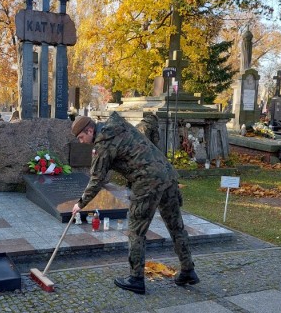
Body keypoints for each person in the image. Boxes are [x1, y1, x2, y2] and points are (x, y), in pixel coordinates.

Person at [70, 113, 198, 294]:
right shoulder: (118, 125)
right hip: (167, 174)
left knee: (136, 232)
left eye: (82, 137)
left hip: (147, 181)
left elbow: (97, 177)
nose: (82, 142)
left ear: (90, 130)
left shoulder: (104, 141)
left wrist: (81, 203)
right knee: (176, 226)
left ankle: (136, 278)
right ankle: (188, 270)